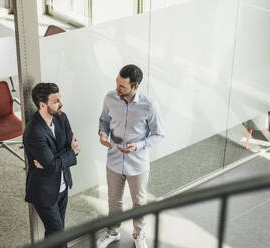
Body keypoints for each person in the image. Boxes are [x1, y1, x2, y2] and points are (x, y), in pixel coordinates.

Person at [97, 65, 164, 248]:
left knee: (139, 202)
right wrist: (103, 134)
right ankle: (112, 232)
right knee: (114, 200)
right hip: (114, 160)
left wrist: (139, 146)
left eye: (122, 87)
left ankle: (139, 235)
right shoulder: (110, 98)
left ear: (135, 87)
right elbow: (104, 121)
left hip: (138, 163)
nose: (117, 89)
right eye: (117, 84)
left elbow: (158, 134)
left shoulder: (149, 106)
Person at [23, 82, 81, 248]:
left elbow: (72, 146)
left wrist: (56, 160)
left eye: (60, 99)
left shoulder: (61, 117)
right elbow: (68, 153)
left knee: (55, 231)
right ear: (43, 105)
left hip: (63, 187)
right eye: (56, 101)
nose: (61, 104)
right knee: (58, 235)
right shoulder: (34, 132)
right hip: (45, 192)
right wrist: (71, 153)